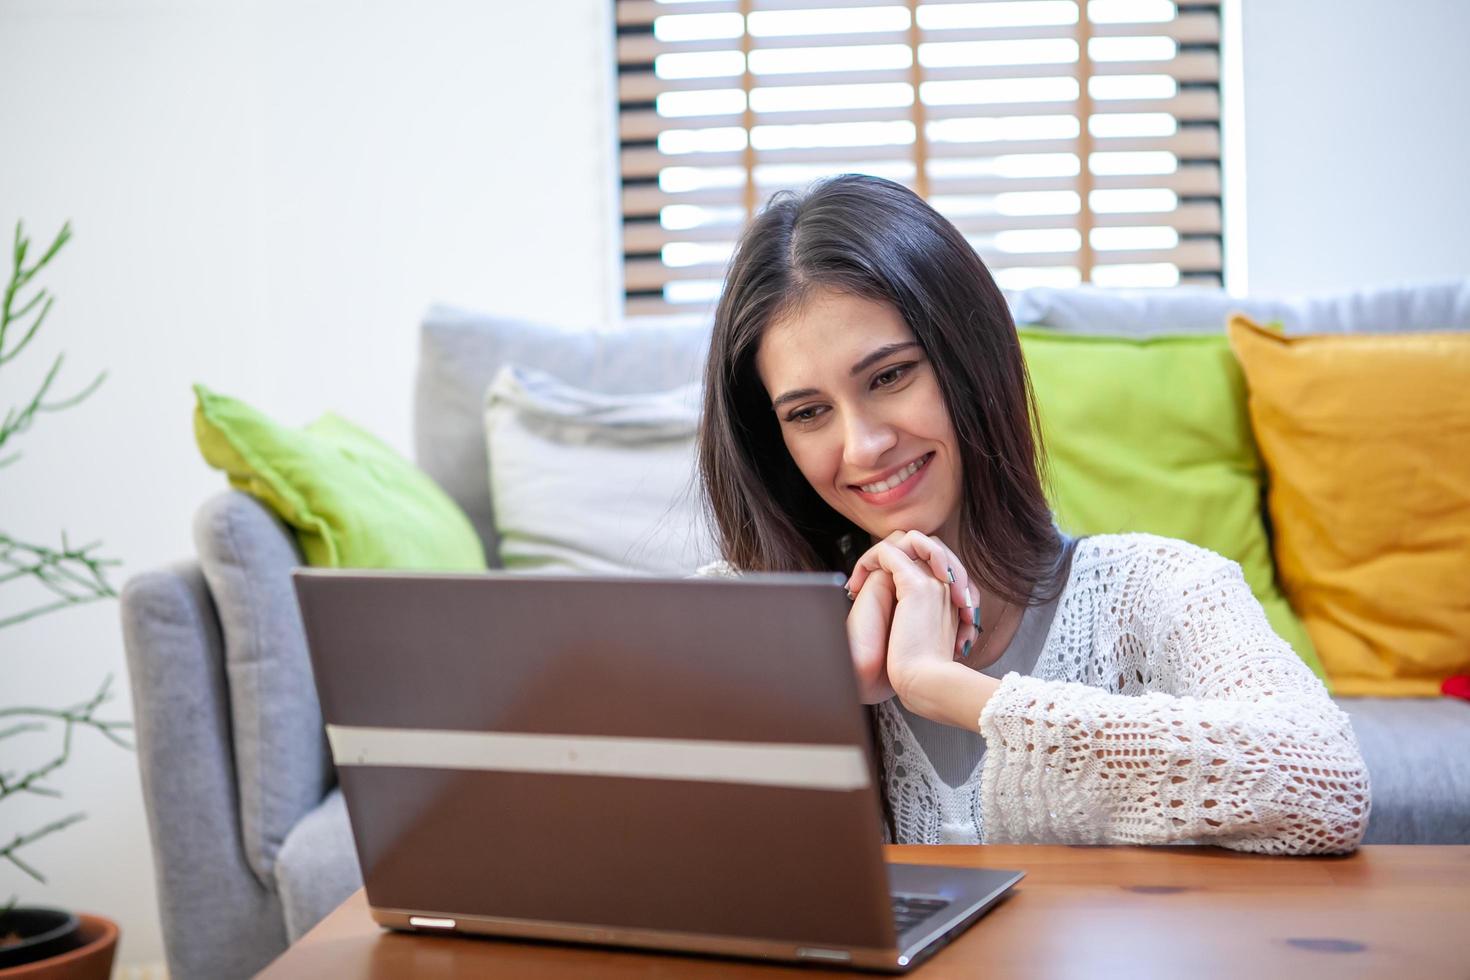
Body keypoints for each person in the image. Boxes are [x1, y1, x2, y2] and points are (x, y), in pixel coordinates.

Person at [694, 173, 1370, 854]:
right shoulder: (734, 614)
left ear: (969, 358)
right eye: (809, 413)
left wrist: (944, 688)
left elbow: (1326, 786)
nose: (863, 446)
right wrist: (819, 692)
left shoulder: (1153, 591)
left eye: (890, 375)